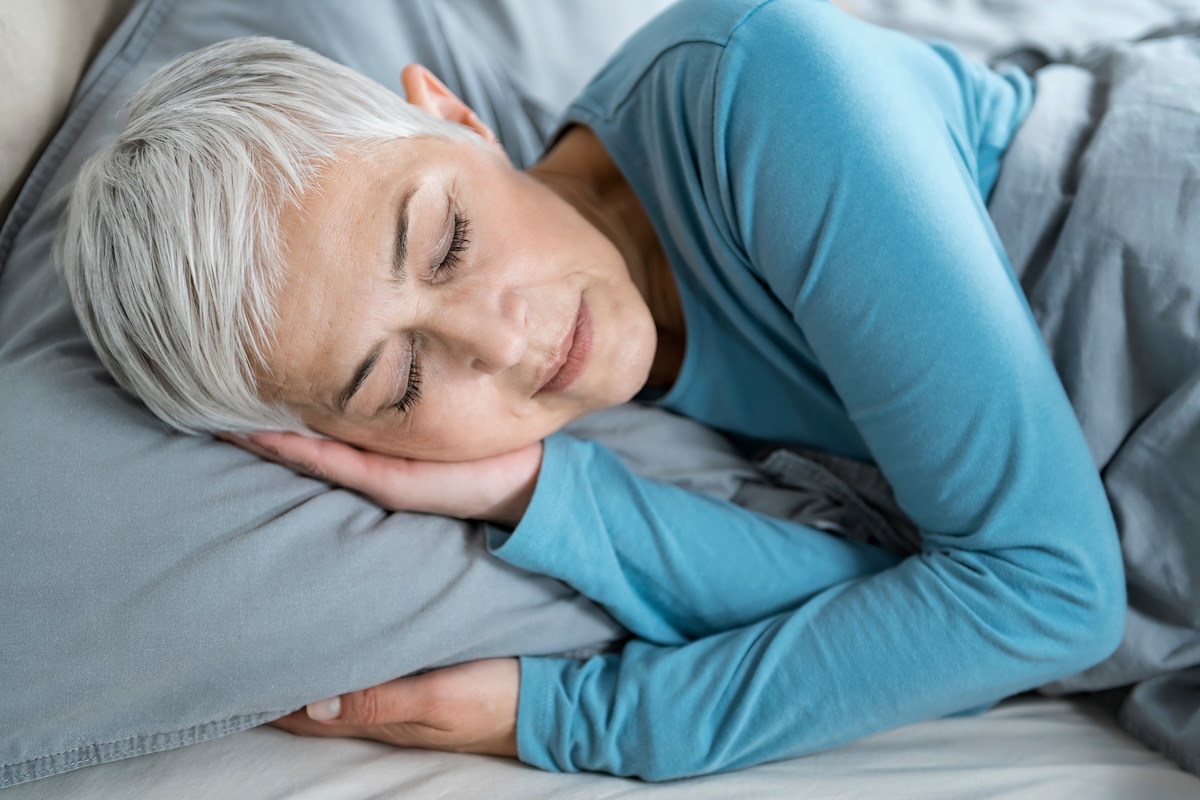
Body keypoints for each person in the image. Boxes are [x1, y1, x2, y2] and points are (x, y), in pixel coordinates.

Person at [62, 0, 1191, 781]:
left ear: (455, 116)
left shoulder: (757, 85)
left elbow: (1046, 596)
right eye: (399, 376)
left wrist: (585, 718)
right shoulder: (621, 415)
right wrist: (534, 493)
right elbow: (919, 599)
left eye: (446, 239)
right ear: (327, 436)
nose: (500, 342)